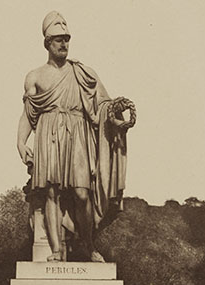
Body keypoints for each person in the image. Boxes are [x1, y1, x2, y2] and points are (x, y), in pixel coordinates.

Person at [17, 11, 128, 262]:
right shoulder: (35, 76)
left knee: (81, 193)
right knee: (52, 193)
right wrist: (20, 142)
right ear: (47, 42)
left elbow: (103, 106)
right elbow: (27, 114)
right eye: (58, 39)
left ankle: (87, 245)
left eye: (67, 39)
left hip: (77, 134)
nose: (64, 43)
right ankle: (57, 251)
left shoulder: (84, 73)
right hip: (48, 134)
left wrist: (116, 112)